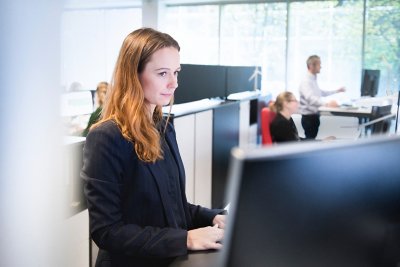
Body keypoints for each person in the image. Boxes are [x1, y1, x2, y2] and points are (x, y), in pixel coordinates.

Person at [80, 28, 226, 267]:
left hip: (169, 260)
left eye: (176, 72)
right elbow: (107, 231)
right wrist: (185, 238)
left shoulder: (164, 127)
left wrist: (215, 217)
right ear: (133, 75)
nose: (174, 83)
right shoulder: (106, 137)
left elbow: (173, 206)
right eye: (162, 73)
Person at [299, 55, 346, 139]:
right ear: (311, 66)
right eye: (319, 64)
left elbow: (320, 93)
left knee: (311, 139)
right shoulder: (306, 81)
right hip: (309, 117)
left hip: (314, 116)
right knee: (310, 141)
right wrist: (327, 104)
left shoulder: (312, 79)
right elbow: (310, 98)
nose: (321, 67)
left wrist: (336, 91)